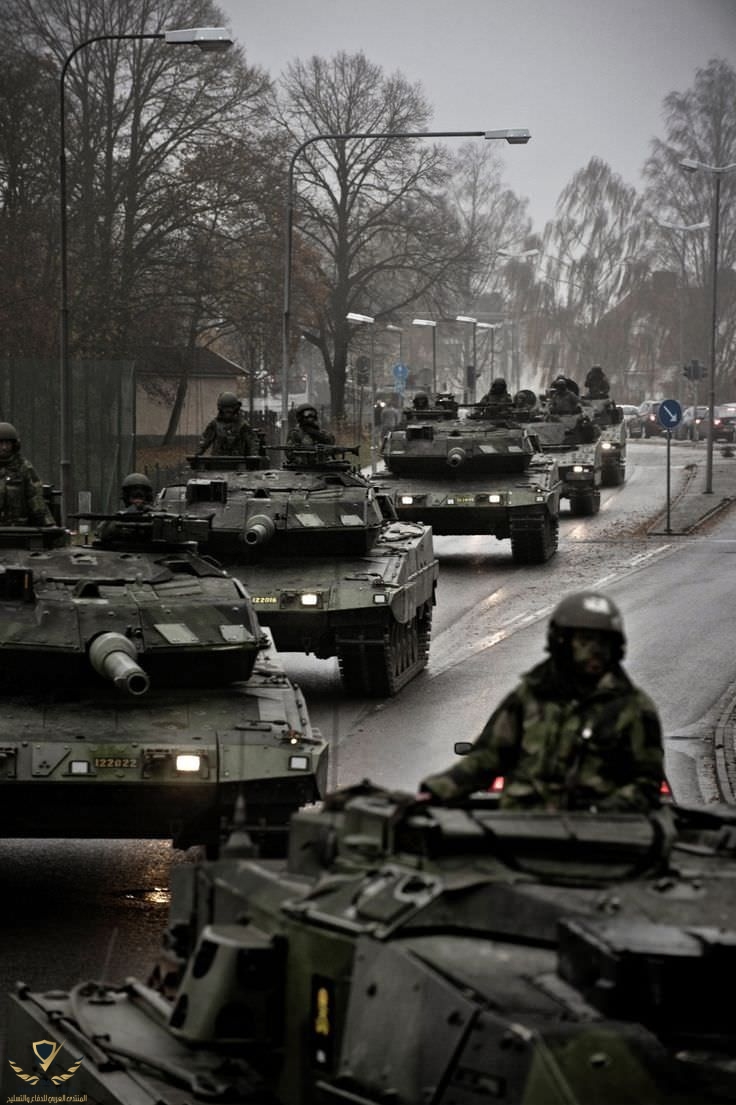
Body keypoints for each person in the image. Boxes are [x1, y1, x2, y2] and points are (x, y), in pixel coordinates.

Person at [420, 591, 664, 813]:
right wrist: (434, 792)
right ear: (561, 642)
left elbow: (647, 785)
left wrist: (600, 813)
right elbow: (485, 760)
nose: (596, 651)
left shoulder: (633, 709)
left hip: (597, 842)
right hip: (523, 834)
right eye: (584, 641)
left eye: (603, 643)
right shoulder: (529, 698)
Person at [0, 422, 54, 526]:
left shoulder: (23, 467)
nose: (4, 448)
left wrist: (48, 524)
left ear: (14, 445)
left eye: (7, 443)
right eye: (1, 443)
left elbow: (35, 496)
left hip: (18, 528)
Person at [95, 473, 154, 542]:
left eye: (140, 496)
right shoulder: (119, 517)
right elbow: (102, 533)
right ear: (126, 497)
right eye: (134, 496)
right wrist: (128, 514)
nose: (138, 501)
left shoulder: (155, 517)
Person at [197, 392, 259, 457]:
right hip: (217, 462)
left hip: (238, 462)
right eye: (225, 410)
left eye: (230, 410)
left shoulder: (242, 425)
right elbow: (205, 440)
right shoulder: (215, 424)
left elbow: (253, 442)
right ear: (221, 409)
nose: (228, 413)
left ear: (235, 409)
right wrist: (198, 453)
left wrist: (254, 456)